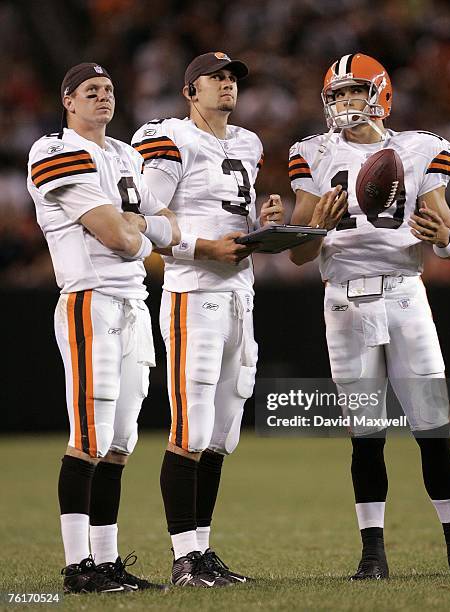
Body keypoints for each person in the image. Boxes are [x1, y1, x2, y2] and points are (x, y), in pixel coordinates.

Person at [288, 53, 450, 580]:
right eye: (335, 94)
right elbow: (297, 253)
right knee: (366, 433)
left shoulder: (420, 148)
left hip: (405, 295)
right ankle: (372, 556)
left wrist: (444, 239)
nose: (342, 102)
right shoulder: (311, 153)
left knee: (432, 427)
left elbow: (447, 237)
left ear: (379, 92)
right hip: (344, 301)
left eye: (352, 92)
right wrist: (316, 225)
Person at [132, 51, 284, 587]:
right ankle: (182, 559)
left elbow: (232, 222)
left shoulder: (249, 142)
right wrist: (200, 249)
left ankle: (203, 551)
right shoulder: (166, 135)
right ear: (189, 91)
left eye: (231, 78)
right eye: (214, 78)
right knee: (190, 427)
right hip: (193, 293)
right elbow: (143, 220)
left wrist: (264, 224)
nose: (226, 85)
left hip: (240, 295)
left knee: (222, 433)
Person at [27, 63, 180, 593]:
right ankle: (77, 568)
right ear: (67, 100)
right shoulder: (53, 149)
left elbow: (172, 226)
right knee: (88, 437)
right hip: (89, 299)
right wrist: (140, 232)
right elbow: (120, 237)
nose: (103, 97)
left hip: (134, 305)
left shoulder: (125, 155)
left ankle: (108, 562)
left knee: (120, 441)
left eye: (110, 89)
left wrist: (136, 228)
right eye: (90, 91)